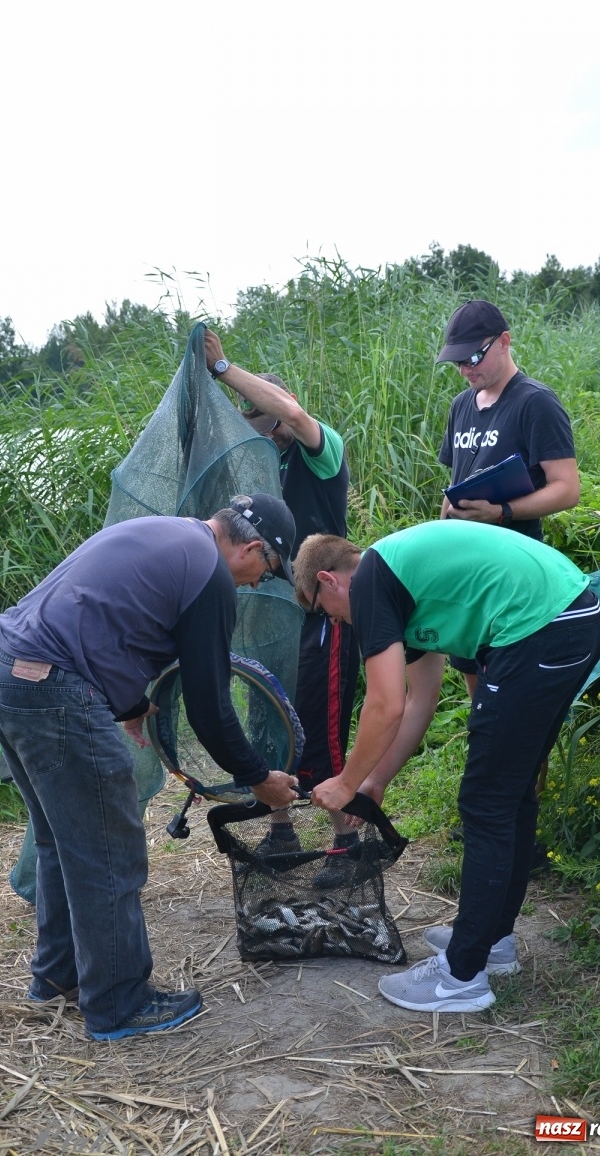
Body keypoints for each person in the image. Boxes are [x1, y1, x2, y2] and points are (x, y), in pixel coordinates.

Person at [0, 494, 300, 1041]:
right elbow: (210, 706)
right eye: (265, 571)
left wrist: (129, 706)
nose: (253, 584)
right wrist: (258, 779)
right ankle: (119, 1003)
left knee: (61, 840)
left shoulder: (168, 533)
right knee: (109, 852)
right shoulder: (211, 575)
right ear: (250, 547)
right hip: (56, 690)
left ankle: (58, 978)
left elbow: (98, 618)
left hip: (5, 673)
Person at [293, 521, 600, 1012]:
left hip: (543, 627)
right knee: (510, 797)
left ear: (329, 581)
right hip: (565, 620)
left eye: (324, 613)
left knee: (486, 806)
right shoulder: (401, 587)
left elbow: (385, 703)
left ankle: (461, 978)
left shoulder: (373, 578)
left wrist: (345, 782)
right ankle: (493, 943)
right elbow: (421, 698)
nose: (335, 624)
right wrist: (374, 781)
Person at [205, 331, 360, 882]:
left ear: (277, 423)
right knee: (266, 716)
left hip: (324, 609)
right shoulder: (253, 474)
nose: (256, 442)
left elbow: (293, 413)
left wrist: (221, 366)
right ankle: (281, 827)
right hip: (267, 616)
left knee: (321, 721)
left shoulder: (322, 453)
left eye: (261, 427)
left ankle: (349, 841)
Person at [437, 298, 580, 698]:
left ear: (504, 341)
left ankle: (524, 760)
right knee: (473, 674)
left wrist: (503, 512)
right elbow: (454, 480)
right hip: (464, 567)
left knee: (516, 689)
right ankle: (487, 749)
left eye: (474, 358)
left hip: (512, 572)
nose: (466, 370)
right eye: (458, 363)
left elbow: (567, 488)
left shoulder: (535, 402)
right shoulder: (461, 405)